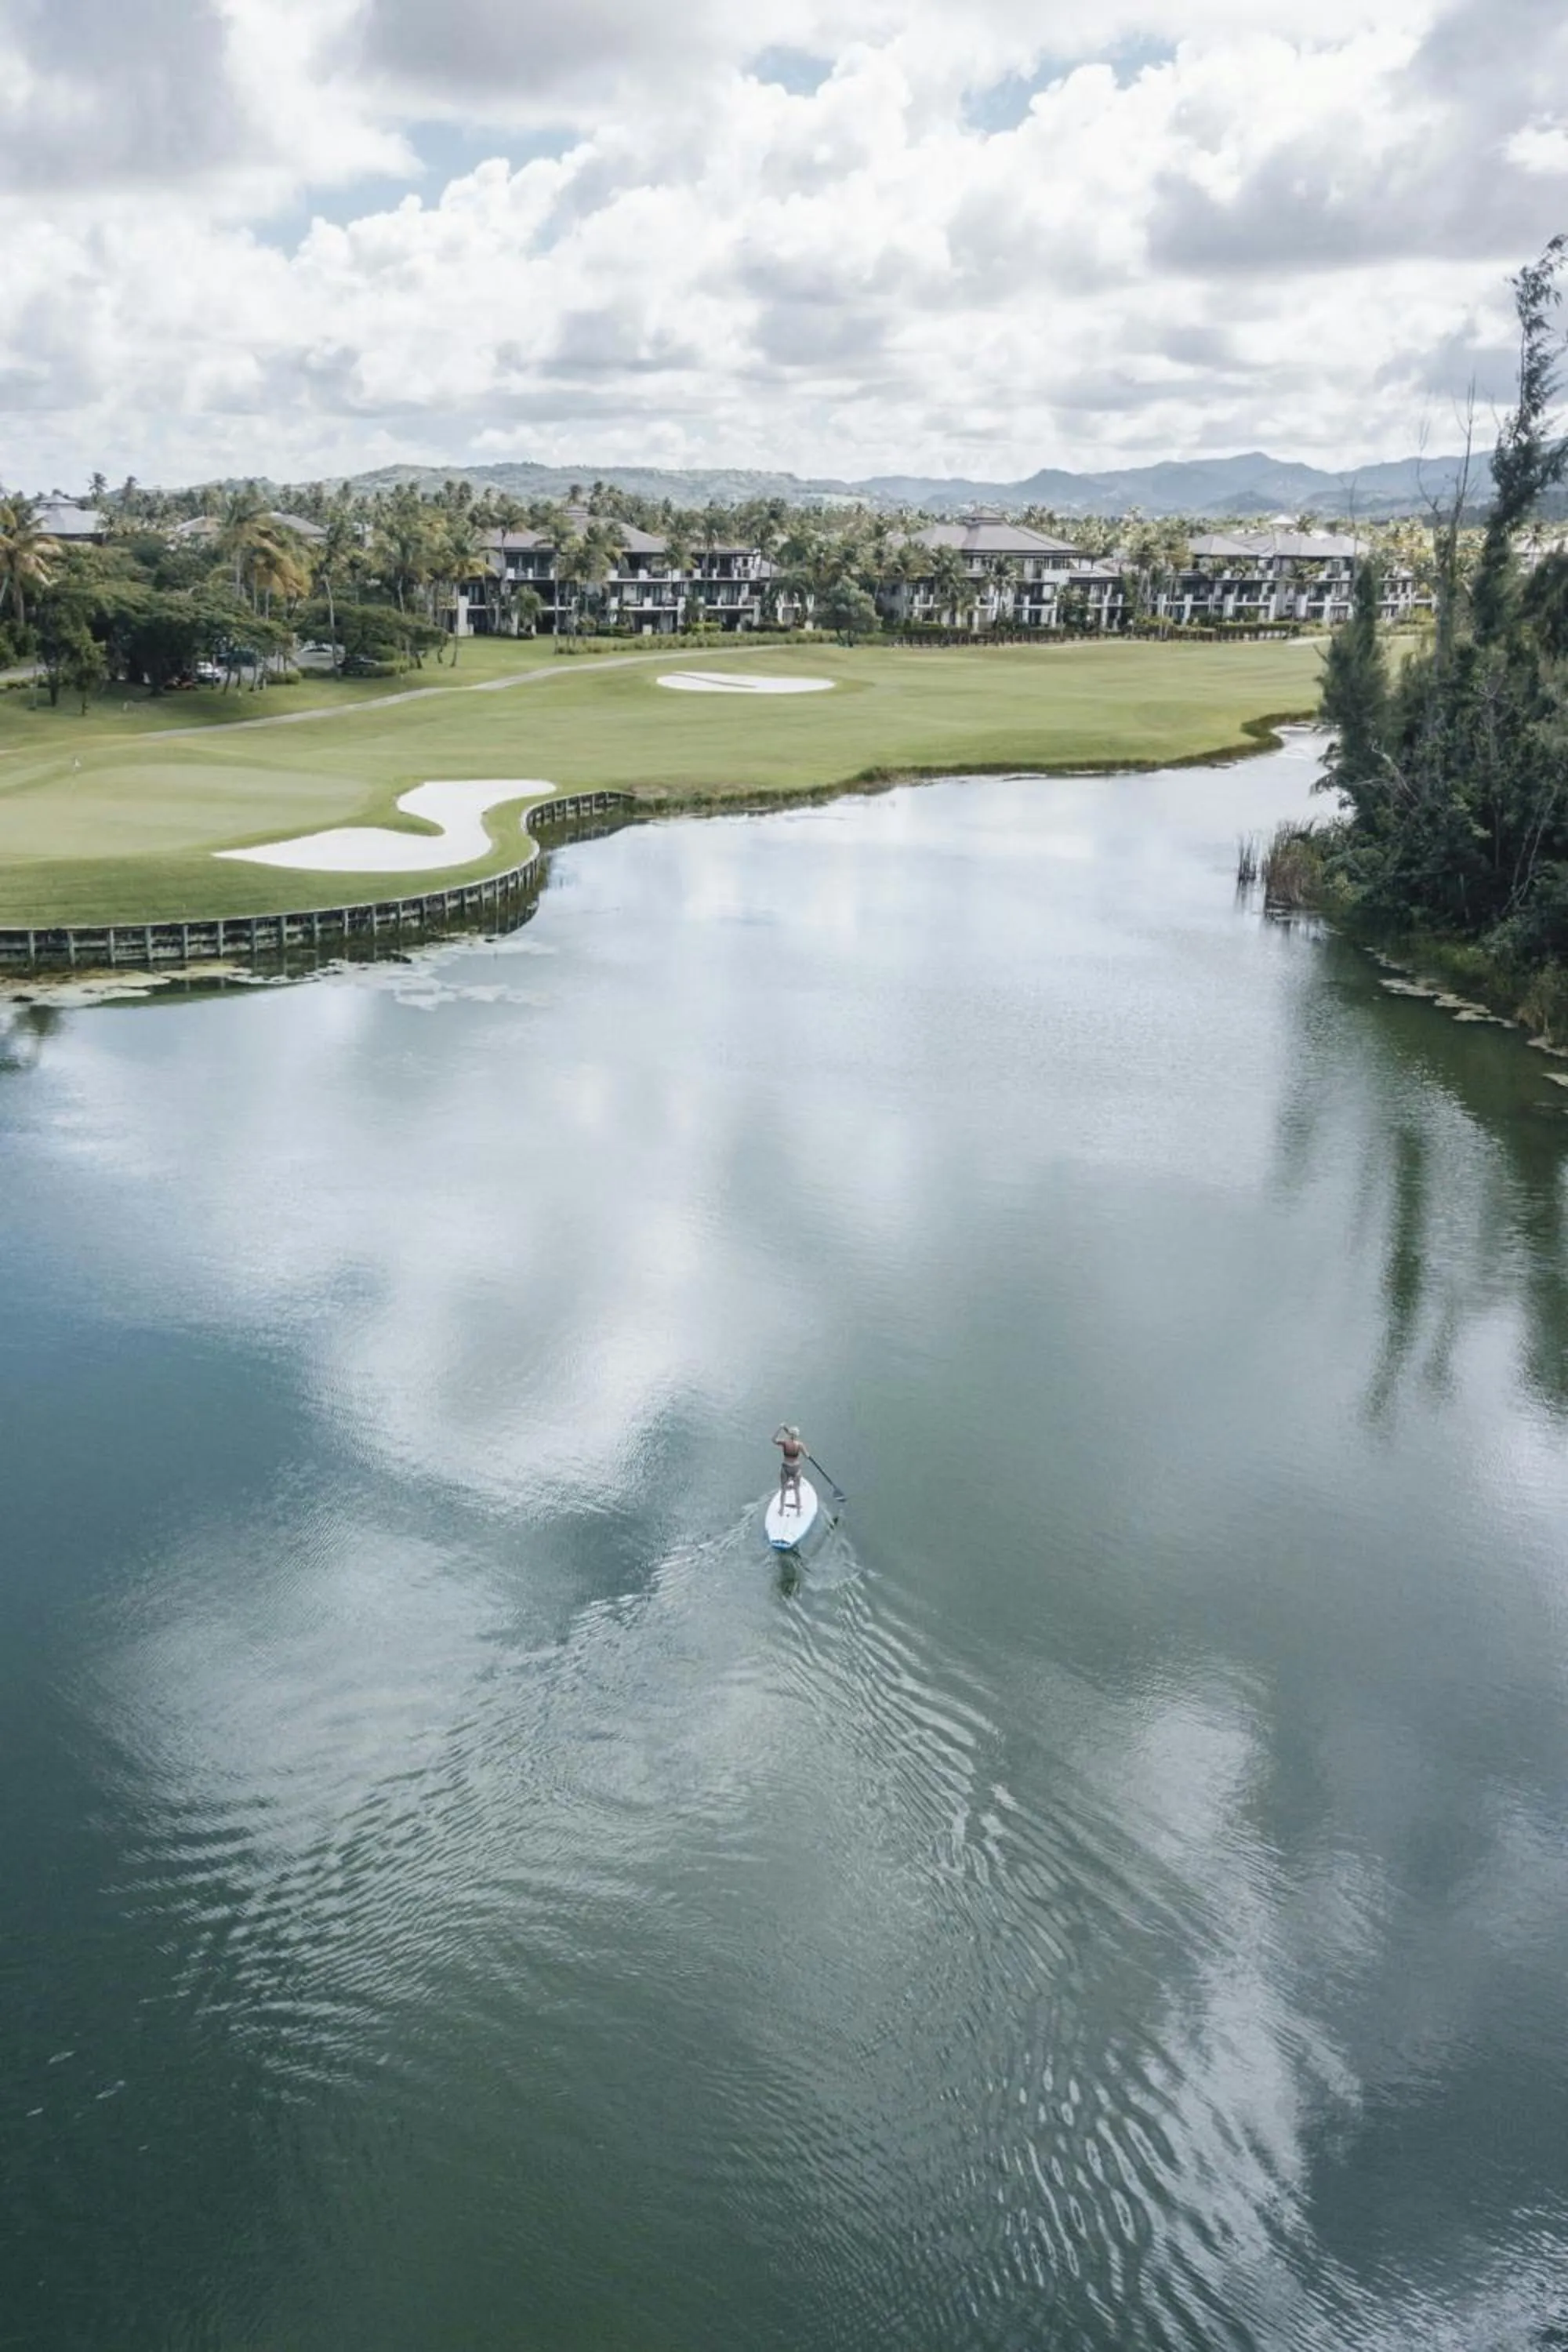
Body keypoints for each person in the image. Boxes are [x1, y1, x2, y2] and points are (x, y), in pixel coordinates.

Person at [773, 1423, 807, 1512]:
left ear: (789, 1434)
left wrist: (780, 1428)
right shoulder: (800, 1445)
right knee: (797, 1491)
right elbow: (806, 1456)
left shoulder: (785, 1443)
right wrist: (808, 1455)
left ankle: (781, 1510)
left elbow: (774, 1440)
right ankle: (799, 1511)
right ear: (797, 1435)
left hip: (785, 1468)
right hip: (796, 1469)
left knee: (783, 1490)